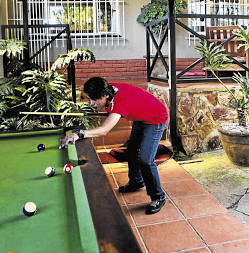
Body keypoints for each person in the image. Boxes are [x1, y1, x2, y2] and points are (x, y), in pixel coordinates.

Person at [60, 77, 169, 214]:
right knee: (132, 150)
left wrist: (79, 134)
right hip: (140, 117)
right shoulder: (109, 89)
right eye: (89, 99)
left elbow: (104, 130)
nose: (91, 103)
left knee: (145, 160)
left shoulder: (121, 101)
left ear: (105, 95)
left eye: (95, 99)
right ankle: (136, 181)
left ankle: (158, 196)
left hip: (155, 118)